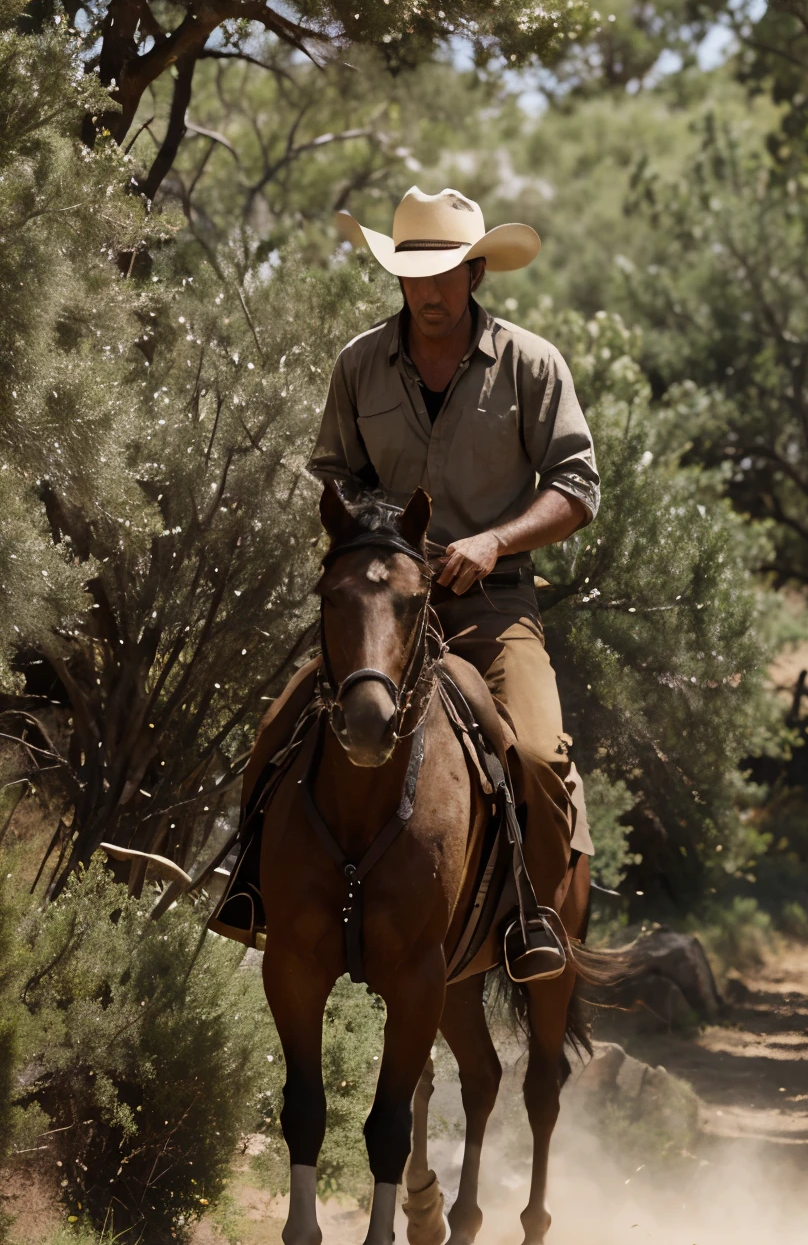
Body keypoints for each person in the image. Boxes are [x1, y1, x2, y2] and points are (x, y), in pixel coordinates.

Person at [221, 186, 599, 975]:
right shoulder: (358, 365)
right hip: (381, 609)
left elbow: (576, 488)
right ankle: (249, 887)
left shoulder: (531, 364)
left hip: (495, 607)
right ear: (396, 278)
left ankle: (531, 920)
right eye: (412, 273)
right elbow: (331, 473)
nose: (428, 290)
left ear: (476, 273)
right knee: (276, 733)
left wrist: (494, 541)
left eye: (445, 273)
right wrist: (380, 537)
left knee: (532, 752)